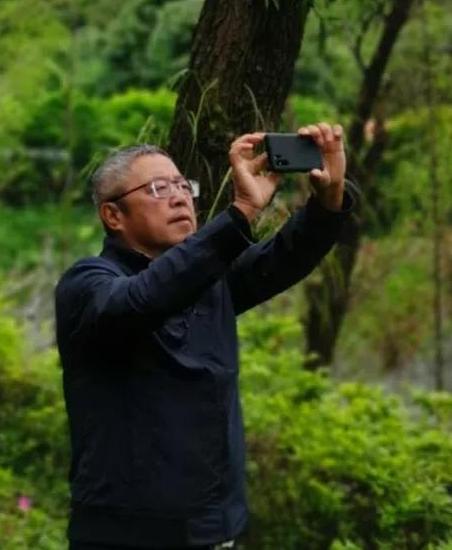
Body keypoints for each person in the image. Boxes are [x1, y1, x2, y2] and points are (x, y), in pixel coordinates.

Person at [55, 123, 350, 550]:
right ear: (113, 215)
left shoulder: (211, 278)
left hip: (212, 530)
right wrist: (241, 213)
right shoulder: (89, 284)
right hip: (122, 534)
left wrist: (329, 198)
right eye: (157, 189)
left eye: (182, 185)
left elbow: (285, 257)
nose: (178, 196)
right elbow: (145, 299)